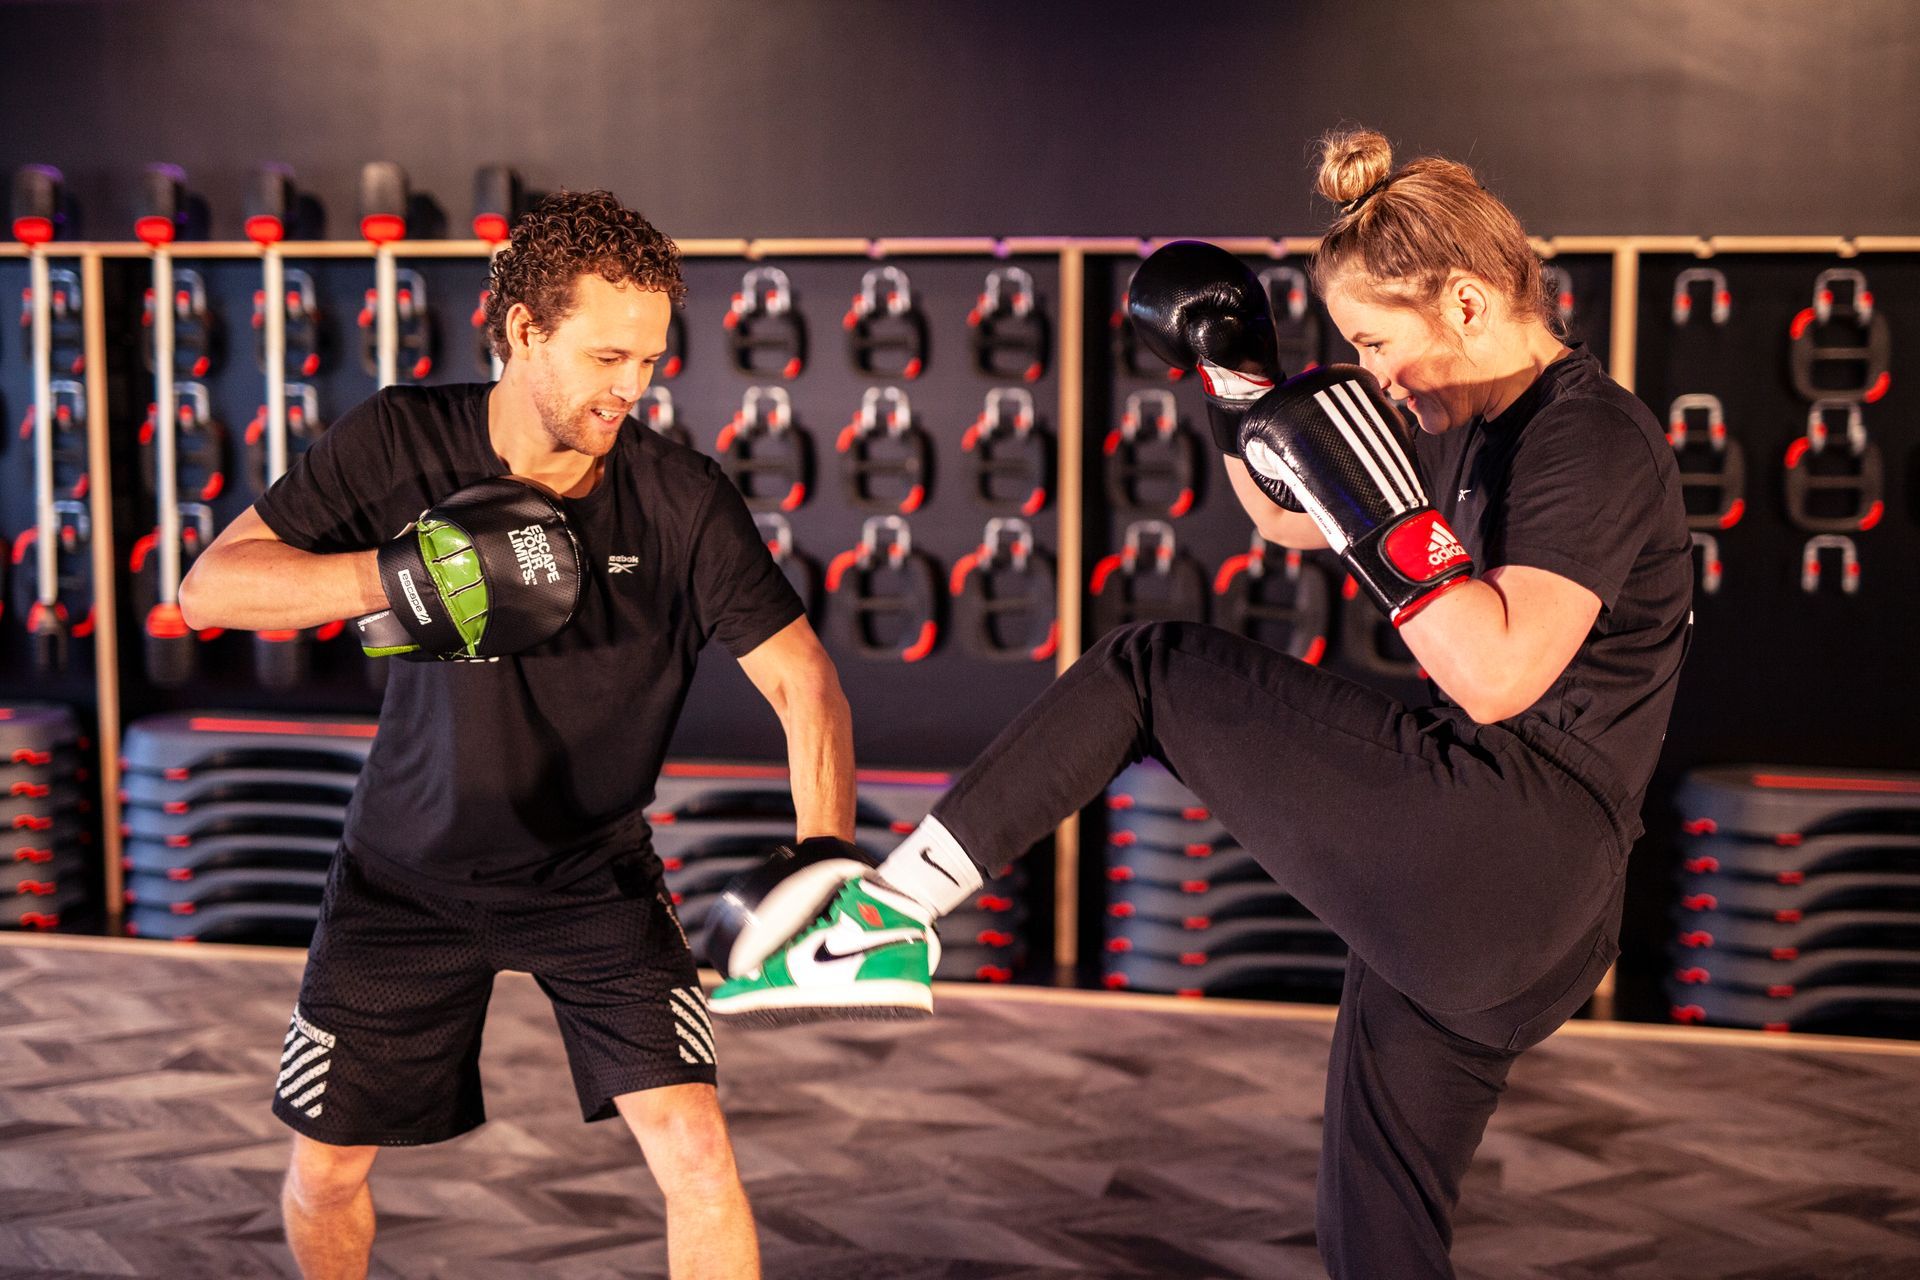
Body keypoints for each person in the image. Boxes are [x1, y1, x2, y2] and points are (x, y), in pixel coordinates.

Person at [710, 128, 1691, 1279]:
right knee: (1376, 1219)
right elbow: (1286, 514)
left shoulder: (1590, 437)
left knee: (1152, 668)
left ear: (1468, 305)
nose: (1375, 373)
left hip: (1517, 836)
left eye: (1378, 341)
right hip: (1498, 909)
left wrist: (1372, 508)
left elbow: (1496, 669)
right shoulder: (1471, 420)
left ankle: (880, 920)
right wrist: (1238, 377)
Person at [180, 190, 852, 1280]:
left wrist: (825, 855)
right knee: (328, 1170)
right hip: (404, 874)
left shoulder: (680, 499)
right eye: (607, 356)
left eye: (649, 359)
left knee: (696, 1150)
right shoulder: (401, 438)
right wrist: (407, 569)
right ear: (523, 329)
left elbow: (806, 682)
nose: (633, 386)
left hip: (594, 870)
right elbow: (210, 586)